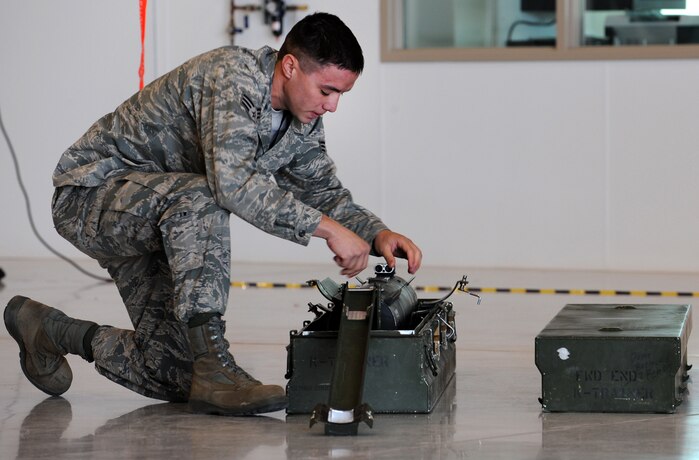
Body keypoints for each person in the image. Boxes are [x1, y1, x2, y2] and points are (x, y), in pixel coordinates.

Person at [3, 12, 421, 416]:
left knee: (173, 373)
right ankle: (215, 364)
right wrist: (327, 231)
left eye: (341, 95)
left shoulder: (301, 123)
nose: (332, 107)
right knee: (203, 195)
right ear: (290, 66)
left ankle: (51, 331)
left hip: (162, 220)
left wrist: (376, 233)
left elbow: (323, 191)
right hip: (90, 198)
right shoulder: (232, 76)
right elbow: (232, 184)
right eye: (327, 91)